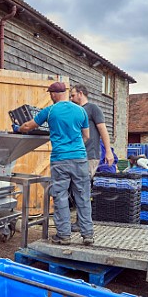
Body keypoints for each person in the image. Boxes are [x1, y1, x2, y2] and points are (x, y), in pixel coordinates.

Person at [12, 81, 94, 245]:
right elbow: (87, 136)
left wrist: (17, 128)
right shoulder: (81, 111)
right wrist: (75, 149)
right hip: (79, 159)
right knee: (83, 196)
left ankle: (64, 236)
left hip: (60, 160)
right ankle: (88, 235)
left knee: (60, 197)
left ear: (54, 94)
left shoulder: (50, 111)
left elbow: (29, 126)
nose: (50, 96)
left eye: (50, 94)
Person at [69, 84, 114, 231]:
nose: (71, 97)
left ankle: (82, 223)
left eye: (73, 95)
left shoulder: (93, 108)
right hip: (77, 155)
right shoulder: (77, 111)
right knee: (77, 188)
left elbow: (103, 130)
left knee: (83, 189)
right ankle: (80, 221)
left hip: (90, 155)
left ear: (81, 93)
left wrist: (108, 151)